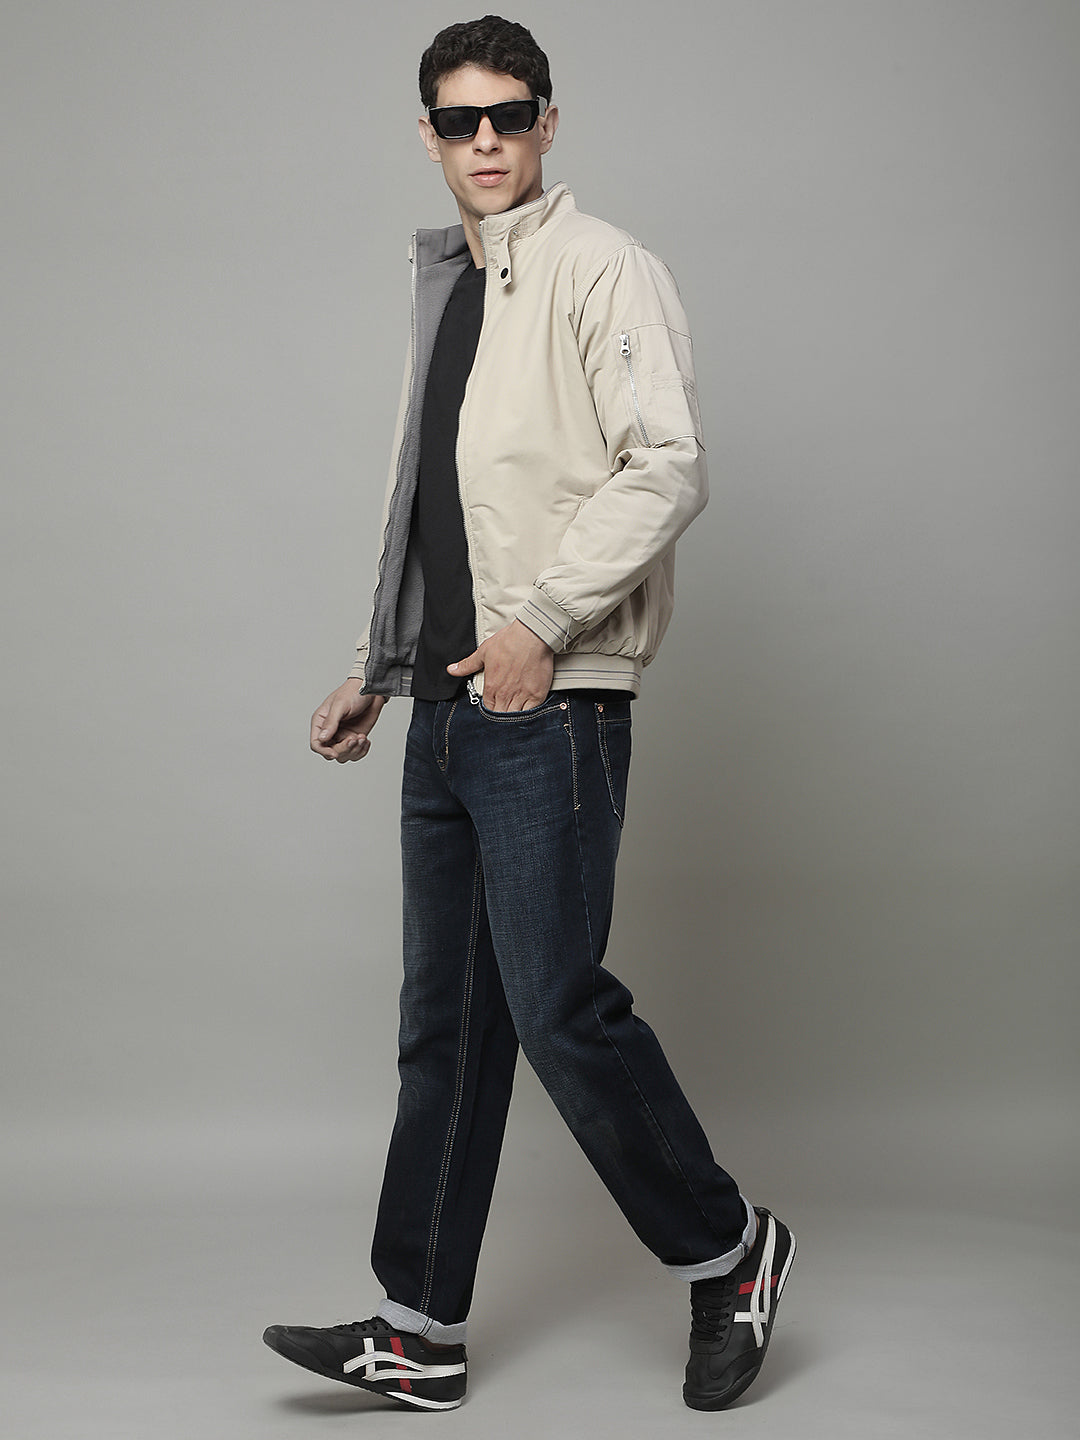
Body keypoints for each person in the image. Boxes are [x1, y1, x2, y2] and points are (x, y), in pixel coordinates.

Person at [263, 14, 794, 1413]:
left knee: (556, 1005)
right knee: (445, 1026)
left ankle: (729, 1251)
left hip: (547, 698)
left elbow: (666, 462)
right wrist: (381, 665)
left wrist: (544, 625)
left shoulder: (603, 267)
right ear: (428, 136)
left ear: (549, 121)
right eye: (460, 121)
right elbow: (440, 507)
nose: (486, 140)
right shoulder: (454, 282)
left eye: (509, 114)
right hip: (445, 703)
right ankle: (417, 1328)